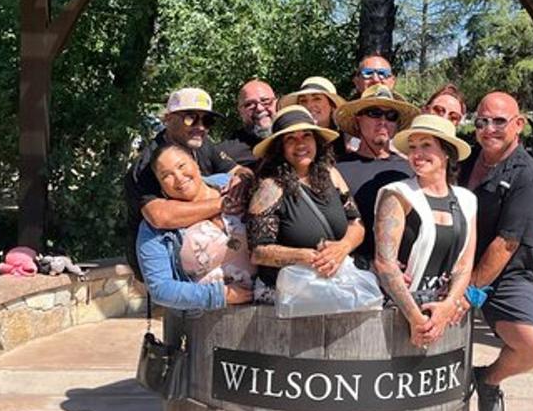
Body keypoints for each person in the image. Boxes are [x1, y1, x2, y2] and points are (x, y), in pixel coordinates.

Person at [460, 91, 533, 411]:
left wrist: (468, 293)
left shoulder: (529, 177)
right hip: (456, 260)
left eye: (499, 121)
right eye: (482, 121)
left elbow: (507, 243)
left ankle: (488, 380)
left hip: (506, 274)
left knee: (532, 345)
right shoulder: (464, 159)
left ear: (519, 125)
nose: (489, 128)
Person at [371, 115, 477, 348]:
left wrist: (448, 305)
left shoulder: (467, 201)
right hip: (397, 314)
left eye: (426, 145)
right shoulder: (397, 194)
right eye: (412, 147)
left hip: (442, 314)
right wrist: (416, 319)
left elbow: (464, 263)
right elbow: (384, 263)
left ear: (447, 152)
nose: (417, 154)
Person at [124, 88, 250, 276]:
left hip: (210, 255)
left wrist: (241, 180)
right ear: (168, 119)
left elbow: (240, 170)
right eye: (191, 117)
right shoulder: (146, 166)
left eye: (207, 120)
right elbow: (160, 216)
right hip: (168, 267)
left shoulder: (202, 144)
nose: (200, 127)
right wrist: (223, 204)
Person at [247, 105, 364, 291]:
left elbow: (356, 222)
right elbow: (258, 252)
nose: (300, 144)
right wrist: (306, 257)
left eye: (306, 135)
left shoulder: (331, 174)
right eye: (290, 138)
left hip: (337, 284)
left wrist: (343, 246)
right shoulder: (270, 188)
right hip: (292, 292)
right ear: (279, 148)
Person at [136, 144, 254, 310]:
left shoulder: (234, 187)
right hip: (207, 322)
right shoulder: (154, 229)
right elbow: (160, 289)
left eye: (181, 166)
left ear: (195, 162)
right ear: (160, 185)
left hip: (273, 303)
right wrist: (220, 295)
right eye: (166, 176)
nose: (178, 177)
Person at [334, 86, 419, 268]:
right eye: (374, 113)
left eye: (391, 116)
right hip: (353, 275)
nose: (383, 121)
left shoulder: (410, 170)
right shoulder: (337, 170)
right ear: (358, 119)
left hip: (405, 276)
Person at [219, 79, 277, 169]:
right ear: (240, 111)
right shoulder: (226, 153)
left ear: (277, 103)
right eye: (249, 104)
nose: (259, 108)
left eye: (265, 101)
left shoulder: (294, 137)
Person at [278, 76, 346, 132]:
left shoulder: (348, 139)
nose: (309, 105)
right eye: (303, 101)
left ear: (332, 105)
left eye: (317, 99)